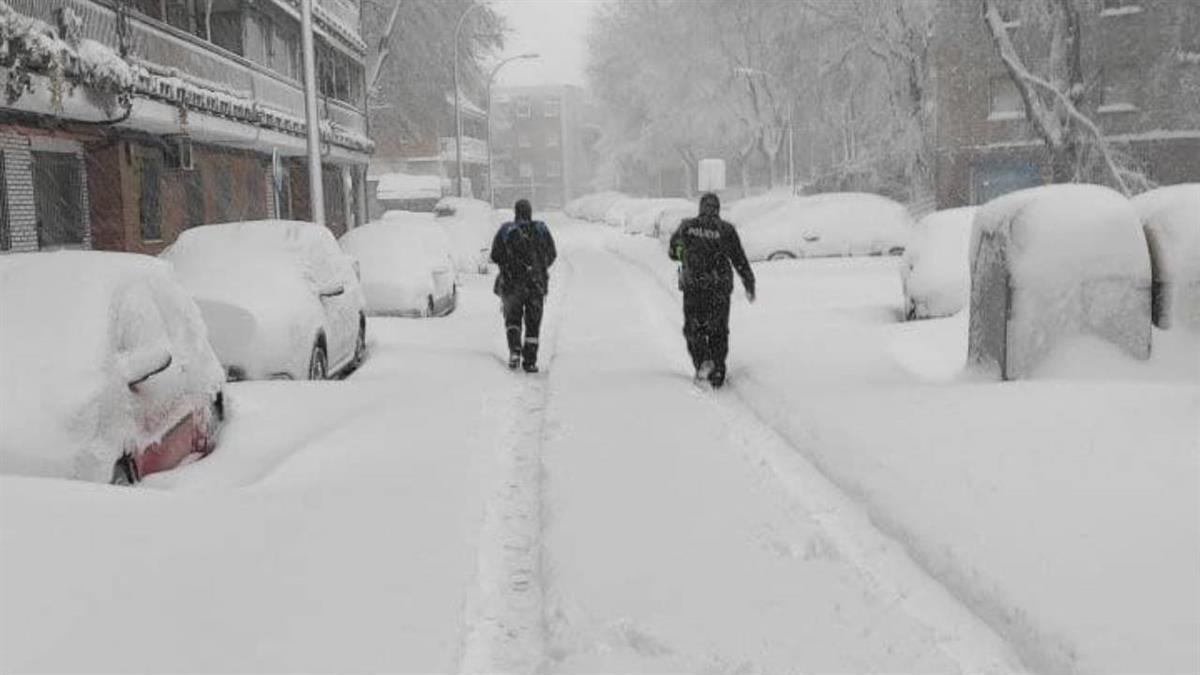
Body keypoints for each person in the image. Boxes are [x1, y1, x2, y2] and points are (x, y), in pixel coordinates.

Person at [668, 192, 755, 388]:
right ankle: (718, 369)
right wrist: (749, 283)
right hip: (719, 287)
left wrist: (685, 255)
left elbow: (673, 252)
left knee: (694, 328)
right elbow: (739, 259)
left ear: (700, 208)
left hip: (694, 286)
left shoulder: (687, 227)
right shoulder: (726, 230)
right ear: (718, 209)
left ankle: (703, 362)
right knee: (719, 329)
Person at [491, 199, 557, 373]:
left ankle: (514, 352)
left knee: (513, 320)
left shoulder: (506, 230)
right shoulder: (541, 229)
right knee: (533, 323)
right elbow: (552, 254)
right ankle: (530, 361)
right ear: (530, 212)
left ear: (515, 212)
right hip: (536, 285)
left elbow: (495, 255)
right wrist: (539, 268)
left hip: (512, 284)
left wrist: (508, 266)